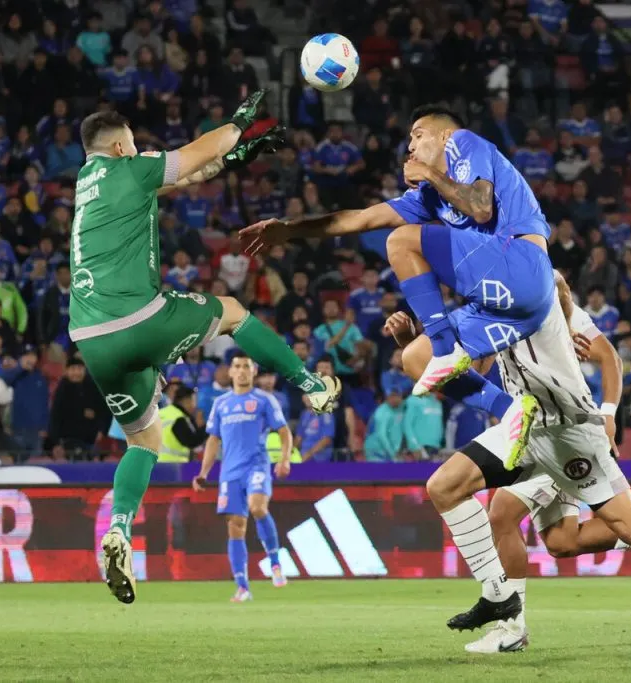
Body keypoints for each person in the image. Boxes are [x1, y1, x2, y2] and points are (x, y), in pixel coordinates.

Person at [75, 94, 341, 606]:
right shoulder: (128, 169)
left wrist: (236, 159)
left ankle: (119, 529)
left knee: (144, 441)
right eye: (131, 139)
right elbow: (196, 153)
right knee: (235, 311)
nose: (137, 146)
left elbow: (187, 177)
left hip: (90, 339)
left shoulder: (90, 184)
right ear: (116, 143)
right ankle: (312, 387)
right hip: (137, 317)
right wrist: (236, 127)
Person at [425, 282, 631, 668]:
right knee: (540, 532)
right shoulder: (486, 309)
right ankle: (504, 607)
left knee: (618, 524)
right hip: (522, 429)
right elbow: (473, 370)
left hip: (567, 431)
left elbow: (605, 352)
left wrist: (610, 412)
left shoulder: (543, 290)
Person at [242, 104, 560, 465]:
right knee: (413, 359)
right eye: (409, 138)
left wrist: (426, 170)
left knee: (401, 241)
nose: (410, 145)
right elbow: (360, 219)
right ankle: (509, 409)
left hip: (522, 263)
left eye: (418, 134)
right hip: (518, 307)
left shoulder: (464, 143)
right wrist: (290, 229)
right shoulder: (430, 197)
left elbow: (481, 208)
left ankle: (445, 348)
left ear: (444, 135)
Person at [192, 353, 292, 602]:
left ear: (254, 371)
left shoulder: (264, 400)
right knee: (236, 526)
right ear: (231, 372)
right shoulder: (221, 403)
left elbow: (284, 431)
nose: (242, 371)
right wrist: (203, 473)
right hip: (230, 472)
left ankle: (276, 564)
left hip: (256, 466)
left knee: (257, 507)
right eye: (237, 366)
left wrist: (284, 459)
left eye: (246, 366)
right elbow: (213, 439)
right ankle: (243, 587)